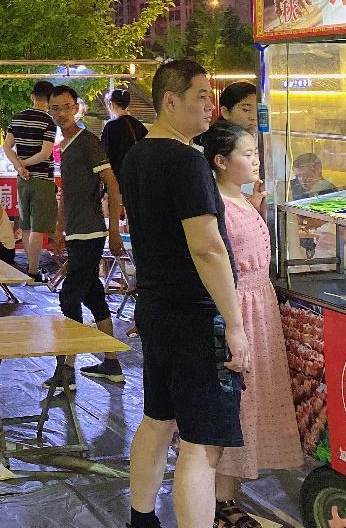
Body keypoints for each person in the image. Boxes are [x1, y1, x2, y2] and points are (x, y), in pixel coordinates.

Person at [119, 59, 250, 528]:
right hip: (196, 316)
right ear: (171, 101)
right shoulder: (187, 161)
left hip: (156, 309)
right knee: (201, 443)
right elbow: (207, 247)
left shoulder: (137, 157)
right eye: (201, 96)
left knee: (158, 419)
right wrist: (234, 325)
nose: (210, 105)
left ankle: (142, 520)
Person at [203, 122, 303, 526]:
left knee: (252, 400)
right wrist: (232, 324)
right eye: (247, 155)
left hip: (259, 305)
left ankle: (227, 496)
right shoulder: (217, 206)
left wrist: (258, 206)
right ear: (221, 161)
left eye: (256, 154)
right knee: (237, 403)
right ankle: (220, 501)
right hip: (240, 307)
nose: (256, 161)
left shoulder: (240, 199)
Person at [45, 86, 125, 386]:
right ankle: (111, 363)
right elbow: (66, 192)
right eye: (55, 108)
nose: (61, 113)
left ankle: (67, 368)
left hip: (91, 231)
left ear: (76, 108)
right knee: (92, 294)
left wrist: (114, 231)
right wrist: (59, 229)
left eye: (66, 106)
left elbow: (113, 186)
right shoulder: (64, 145)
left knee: (68, 296)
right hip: (76, 232)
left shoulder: (88, 142)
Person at [2, 80, 58, 282]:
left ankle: (30, 267)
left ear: (32, 96)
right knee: (38, 227)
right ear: (50, 99)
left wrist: (19, 166)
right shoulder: (49, 121)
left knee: (26, 225)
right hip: (42, 178)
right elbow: (45, 153)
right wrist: (24, 164)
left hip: (23, 179)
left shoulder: (18, 117)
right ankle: (33, 271)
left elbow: (7, 147)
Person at [102, 87, 148, 178]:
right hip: (137, 174)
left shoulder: (111, 125)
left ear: (111, 104)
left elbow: (105, 153)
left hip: (118, 175)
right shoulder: (138, 125)